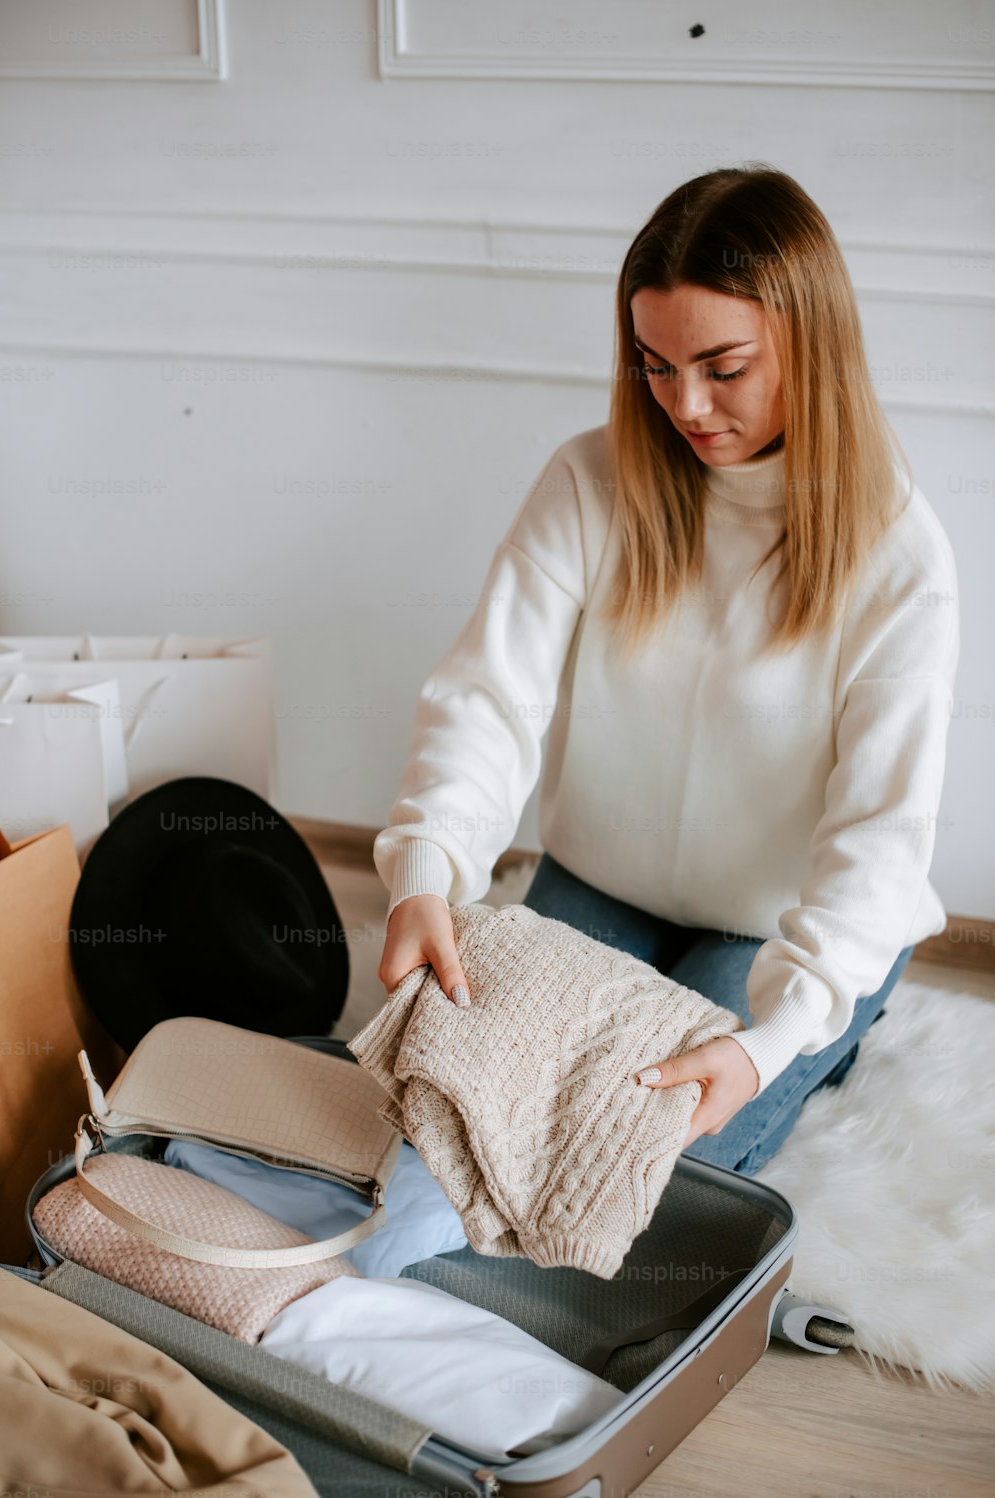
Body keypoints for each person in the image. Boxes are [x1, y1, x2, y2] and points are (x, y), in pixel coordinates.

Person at [374, 164, 959, 1176]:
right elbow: (489, 698)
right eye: (653, 364)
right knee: (456, 1120)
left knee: (636, 1168)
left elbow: (878, 841)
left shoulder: (899, 557)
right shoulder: (589, 481)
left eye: (722, 368)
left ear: (809, 347)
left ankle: (841, 1021)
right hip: (605, 885)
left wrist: (769, 1039)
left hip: (777, 929)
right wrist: (425, 871)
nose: (684, 404)